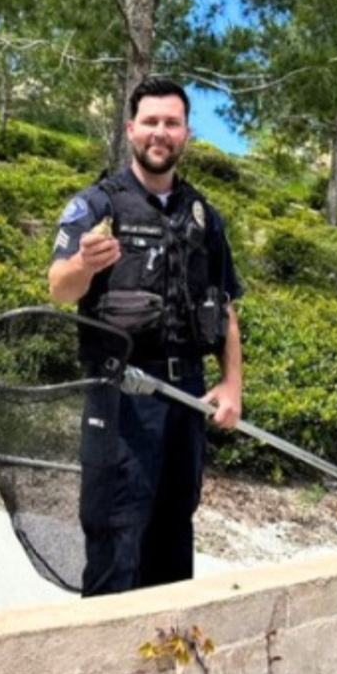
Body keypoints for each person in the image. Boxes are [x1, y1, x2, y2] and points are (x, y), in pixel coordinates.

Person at [48, 76, 244, 597]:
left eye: (172, 123)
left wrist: (231, 385)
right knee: (116, 531)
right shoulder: (97, 207)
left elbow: (225, 307)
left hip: (187, 399)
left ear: (187, 134)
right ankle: (108, 645)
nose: (161, 132)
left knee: (174, 529)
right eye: (151, 122)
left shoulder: (204, 218)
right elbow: (59, 289)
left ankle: (167, 644)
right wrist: (84, 265)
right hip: (121, 399)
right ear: (130, 129)